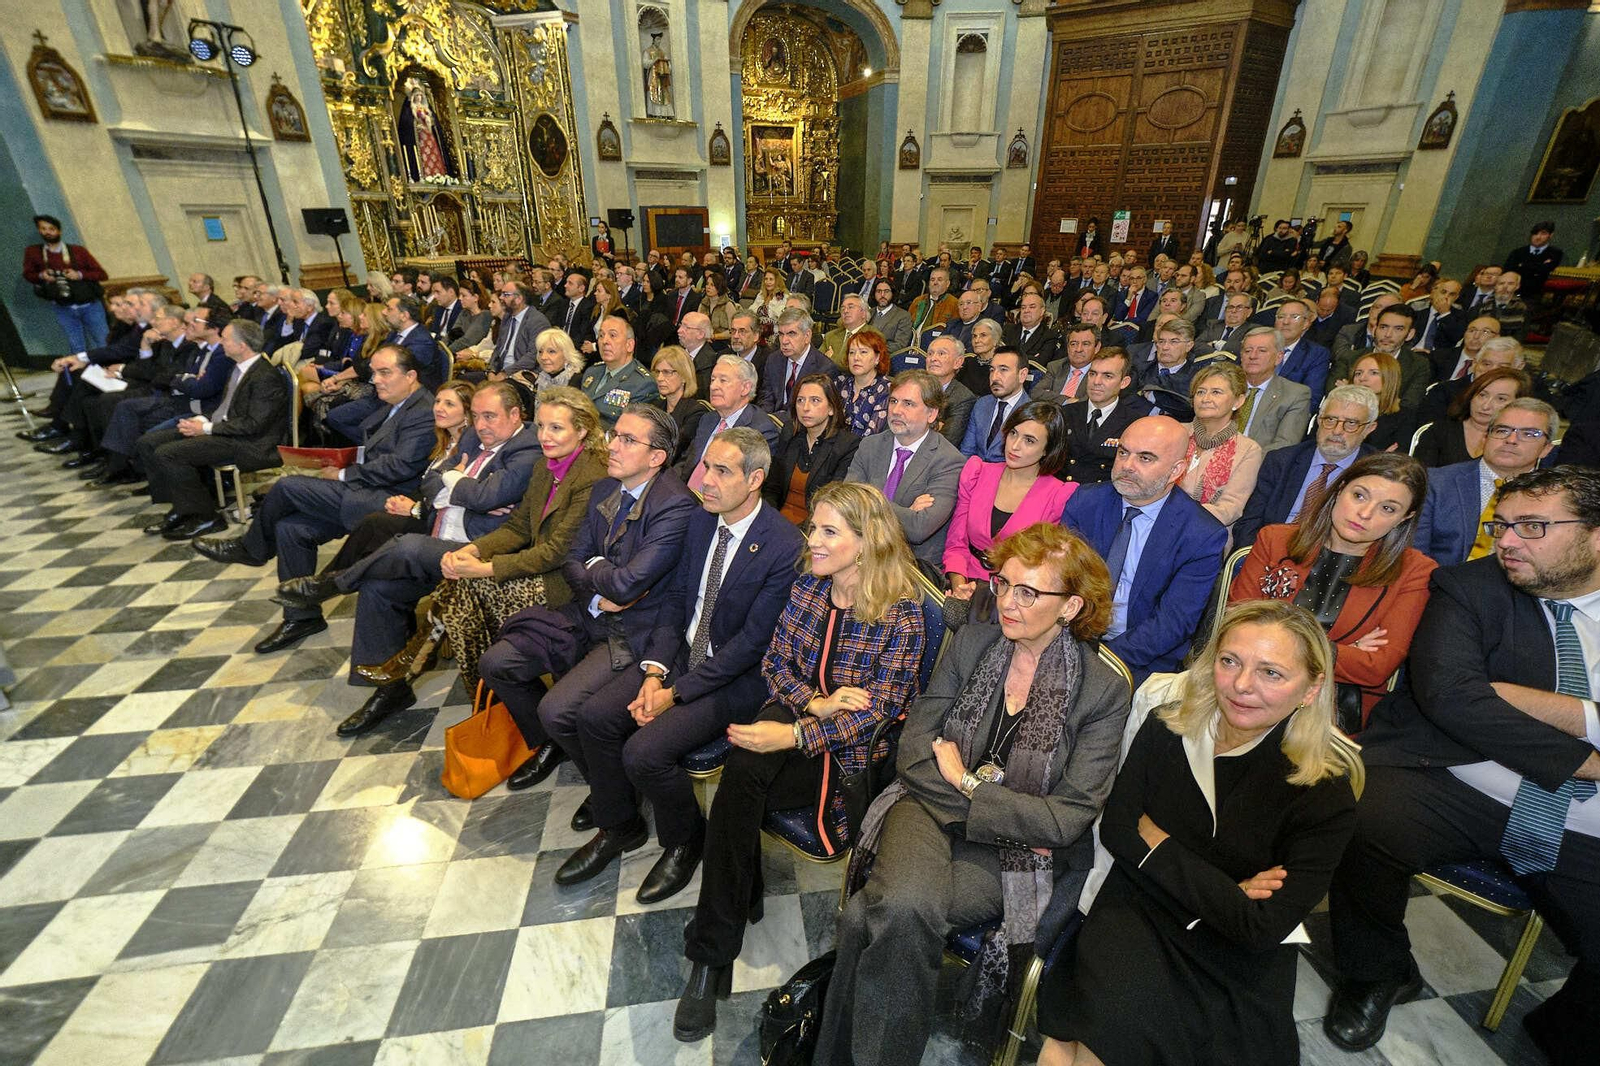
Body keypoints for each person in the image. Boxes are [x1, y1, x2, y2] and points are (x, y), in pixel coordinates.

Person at [819, 524, 1130, 1065]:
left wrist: (966, 783)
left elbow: (1066, 821)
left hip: (1013, 854)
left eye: (1029, 592)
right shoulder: (971, 642)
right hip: (925, 809)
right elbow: (915, 749)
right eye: (1003, 583)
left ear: (1071, 605)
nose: (1007, 602)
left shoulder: (1103, 692)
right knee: (904, 907)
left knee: (877, 913)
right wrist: (979, 801)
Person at [1323, 466, 1600, 1065]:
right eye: (1502, 525)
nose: (1507, 541)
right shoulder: (1471, 587)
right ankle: (1378, 971)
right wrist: (1589, 759)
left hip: (1589, 823)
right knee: (1359, 809)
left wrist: (1572, 713)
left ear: (1596, 535)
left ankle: (1564, 1030)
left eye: (1533, 526)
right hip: (1458, 780)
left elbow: (1482, 697)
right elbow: (1454, 697)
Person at [1036, 600, 1362, 1066]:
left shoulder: (1325, 796)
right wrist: (1228, 891)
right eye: (1230, 661)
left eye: (1271, 673)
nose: (1242, 685)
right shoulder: (1169, 726)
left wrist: (1160, 845)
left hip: (1231, 959)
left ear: (1310, 689)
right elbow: (1118, 831)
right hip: (1136, 917)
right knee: (1091, 1050)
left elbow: (1261, 928)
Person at [674, 481, 928, 1042]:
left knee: (741, 777)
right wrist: (814, 701)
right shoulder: (809, 588)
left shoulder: (901, 615)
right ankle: (714, 948)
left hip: (843, 757)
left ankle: (712, 952)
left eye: (827, 531)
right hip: (795, 714)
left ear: (866, 542)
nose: (810, 540)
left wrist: (794, 734)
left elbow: (881, 713)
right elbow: (776, 665)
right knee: (742, 773)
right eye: (813, 527)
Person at [550, 428, 805, 900]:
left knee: (643, 753)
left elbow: (751, 644)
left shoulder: (783, 545)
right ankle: (619, 824)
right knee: (594, 717)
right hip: (682, 654)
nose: (705, 480)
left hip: (738, 676)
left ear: (755, 479)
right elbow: (676, 604)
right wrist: (655, 671)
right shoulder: (702, 520)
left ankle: (685, 840)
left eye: (721, 471)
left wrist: (675, 694)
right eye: (706, 466)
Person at [280, 382, 541, 733]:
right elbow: (431, 480)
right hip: (440, 539)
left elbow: (487, 496)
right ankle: (389, 692)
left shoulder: (528, 449)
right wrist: (456, 485)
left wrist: (455, 482)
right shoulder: (471, 439)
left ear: (515, 415)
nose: (481, 425)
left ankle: (332, 583)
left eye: (490, 416)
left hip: (478, 553)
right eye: (476, 416)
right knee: (378, 588)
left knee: (406, 545)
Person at [476, 405, 696, 789]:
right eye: (615, 435)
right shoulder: (605, 486)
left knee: (559, 709)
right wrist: (598, 587)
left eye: (628, 440)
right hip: (587, 610)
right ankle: (550, 745)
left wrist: (597, 570)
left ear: (657, 457)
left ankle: (608, 789)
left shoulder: (675, 504)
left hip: (631, 629)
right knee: (497, 663)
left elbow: (629, 585)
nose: (612, 446)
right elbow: (572, 561)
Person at [192, 345, 437, 653]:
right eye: (373, 372)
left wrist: (346, 474)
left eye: (384, 372)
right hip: (367, 490)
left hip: (388, 503)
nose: (375, 379)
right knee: (290, 529)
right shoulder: (395, 403)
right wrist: (342, 461)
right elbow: (377, 448)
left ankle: (251, 548)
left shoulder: (423, 411)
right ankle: (302, 617)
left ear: (410, 375)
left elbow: (400, 465)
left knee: (287, 486)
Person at [1230, 454, 1436, 730]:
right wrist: (1338, 652)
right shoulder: (1275, 540)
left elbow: (1377, 667)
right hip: (1247, 686)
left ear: (1404, 518)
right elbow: (1235, 627)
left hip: (1336, 708)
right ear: (1340, 489)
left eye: (1387, 508)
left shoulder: (1415, 571)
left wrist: (1275, 649)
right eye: (1359, 496)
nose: (1365, 513)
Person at [1060, 415, 1228, 683]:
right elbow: (1059, 581)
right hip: (1071, 636)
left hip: (1140, 659)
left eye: (1145, 458)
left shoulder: (1202, 535)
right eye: (1123, 452)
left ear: (1176, 471)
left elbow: (1173, 623)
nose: (1127, 466)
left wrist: (1101, 660)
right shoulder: (1085, 502)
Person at [135, 319, 292, 539]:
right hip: (227, 430)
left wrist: (206, 428)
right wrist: (200, 420)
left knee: (169, 453)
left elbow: (254, 424)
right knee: (149, 442)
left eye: (226, 339)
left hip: (252, 443)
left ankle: (206, 517)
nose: (222, 343)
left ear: (242, 346)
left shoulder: (265, 377)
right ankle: (181, 508)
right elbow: (225, 408)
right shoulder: (238, 368)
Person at [313, 379, 477, 576]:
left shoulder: (470, 449)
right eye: (438, 402)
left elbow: (452, 498)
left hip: (441, 523)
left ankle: (329, 581)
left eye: (449, 404)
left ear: (467, 413)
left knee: (374, 524)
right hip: (420, 509)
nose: (439, 408)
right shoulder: (444, 442)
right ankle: (333, 580)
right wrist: (406, 503)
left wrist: (414, 509)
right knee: (374, 527)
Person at [944, 400, 1076, 597]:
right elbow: (956, 543)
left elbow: (1043, 567)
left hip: (1017, 594)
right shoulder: (977, 473)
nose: (1014, 446)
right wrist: (959, 585)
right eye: (1013, 433)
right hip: (964, 581)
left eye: (1029, 441)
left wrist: (988, 593)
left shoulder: (1058, 495)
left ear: (1048, 449)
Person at [845, 370, 966, 575]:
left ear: (932, 413)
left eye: (908, 404)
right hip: (860, 552)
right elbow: (847, 504)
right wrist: (905, 510)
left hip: (909, 566)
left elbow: (918, 529)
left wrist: (868, 499)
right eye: (893, 401)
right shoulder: (870, 445)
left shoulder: (948, 460)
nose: (896, 411)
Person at [1413, 397, 1559, 566]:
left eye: (1528, 434)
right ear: (1485, 438)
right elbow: (1415, 555)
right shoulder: (1435, 483)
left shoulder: (1554, 498)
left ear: (1546, 448)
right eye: (1502, 430)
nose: (1511, 440)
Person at [1235, 385, 1380, 548]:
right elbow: (1248, 523)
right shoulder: (1281, 460)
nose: (1337, 431)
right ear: (1319, 420)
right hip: (1270, 549)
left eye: (1351, 423)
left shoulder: (1378, 474)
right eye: (1330, 420)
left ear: (1369, 428)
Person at [764, 373, 860, 524]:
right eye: (800, 400)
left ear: (831, 408)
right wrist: (769, 521)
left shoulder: (847, 445)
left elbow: (832, 505)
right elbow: (772, 488)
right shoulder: (790, 432)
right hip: (777, 520)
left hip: (814, 527)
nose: (805, 408)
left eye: (815, 401)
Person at [675, 355, 781, 490]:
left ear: (745, 388)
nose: (713, 386)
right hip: (685, 496)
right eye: (712, 379)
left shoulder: (760, 430)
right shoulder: (708, 419)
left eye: (723, 380)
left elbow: (747, 486)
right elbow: (686, 462)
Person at [1182, 361, 1264, 529]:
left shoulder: (1248, 449)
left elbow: (1230, 508)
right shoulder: (1175, 432)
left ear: (1238, 401)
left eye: (1216, 392)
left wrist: (1176, 517)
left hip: (1206, 533)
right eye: (1200, 392)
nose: (1205, 399)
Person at [1411, 366, 1531, 469]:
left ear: (1518, 404)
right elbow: (1421, 479)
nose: (1486, 405)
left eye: (1501, 399)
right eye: (1482, 395)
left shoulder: (1519, 442)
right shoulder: (1439, 431)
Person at [1061, 349, 1152, 484]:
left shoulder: (1135, 423)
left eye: (1107, 376)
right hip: (1061, 490)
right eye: (1092, 374)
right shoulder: (1065, 413)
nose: (1096, 381)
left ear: (1124, 382)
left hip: (1104, 496)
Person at [23, 213, 108, 353]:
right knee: (77, 347)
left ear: (59, 231)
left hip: (89, 305)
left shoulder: (77, 251)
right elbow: (28, 275)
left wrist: (79, 275)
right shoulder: (33, 253)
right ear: (39, 230)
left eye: (51, 229)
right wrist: (42, 275)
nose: (48, 232)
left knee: (103, 341)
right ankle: (82, 373)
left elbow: (101, 274)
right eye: (43, 229)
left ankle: (109, 371)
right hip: (62, 306)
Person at [1236, 327, 1313, 452]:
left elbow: (1285, 444)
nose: (1253, 356)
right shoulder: (1226, 386)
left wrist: (1242, 461)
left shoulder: (1296, 395)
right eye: (1247, 351)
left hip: (1258, 464)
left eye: (1262, 351)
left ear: (1278, 357)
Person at [579, 314, 659, 427]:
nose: (605, 341)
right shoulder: (592, 372)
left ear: (629, 345)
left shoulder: (642, 383)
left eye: (612, 335)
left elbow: (630, 431)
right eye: (601, 335)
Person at [757, 308, 836, 413]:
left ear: (807, 336)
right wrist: (766, 421)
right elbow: (766, 397)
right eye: (781, 334)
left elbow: (814, 411)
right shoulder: (774, 359)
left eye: (791, 334)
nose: (784, 341)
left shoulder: (824, 368)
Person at [960, 347, 1031, 463]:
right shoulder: (982, 404)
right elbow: (967, 451)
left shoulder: (1031, 413)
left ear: (1022, 375)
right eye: (992, 370)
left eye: (1003, 370)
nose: (994, 377)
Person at [1349, 352, 1416, 453]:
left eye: (1374, 373)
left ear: (1389, 378)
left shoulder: (1404, 416)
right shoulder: (1337, 408)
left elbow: (1395, 458)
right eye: (1358, 373)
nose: (1362, 378)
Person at [649, 344, 711, 449]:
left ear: (684, 376)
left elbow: (677, 446)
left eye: (667, 372)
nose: (659, 378)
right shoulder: (654, 407)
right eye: (657, 372)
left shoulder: (696, 412)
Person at [835, 328, 891, 437]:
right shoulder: (840, 383)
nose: (856, 358)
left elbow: (872, 435)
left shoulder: (885, 390)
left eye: (863, 352)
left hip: (863, 450)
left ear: (877, 358)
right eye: (852, 352)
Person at [1503, 220, 1564, 301]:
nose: (1538, 237)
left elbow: (1546, 269)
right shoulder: (1518, 252)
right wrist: (1539, 265)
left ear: (1551, 235)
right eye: (1535, 233)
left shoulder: (1555, 253)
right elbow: (1508, 270)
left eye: (1543, 233)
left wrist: (1522, 265)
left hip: (1535, 294)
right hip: (1512, 292)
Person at [869, 277, 913, 352]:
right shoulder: (868, 313)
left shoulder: (903, 316)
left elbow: (900, 344)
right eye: (879, 291)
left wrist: (873, 349)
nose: (882, 295)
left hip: (887, 358)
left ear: (893, 293)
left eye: (886, 291)